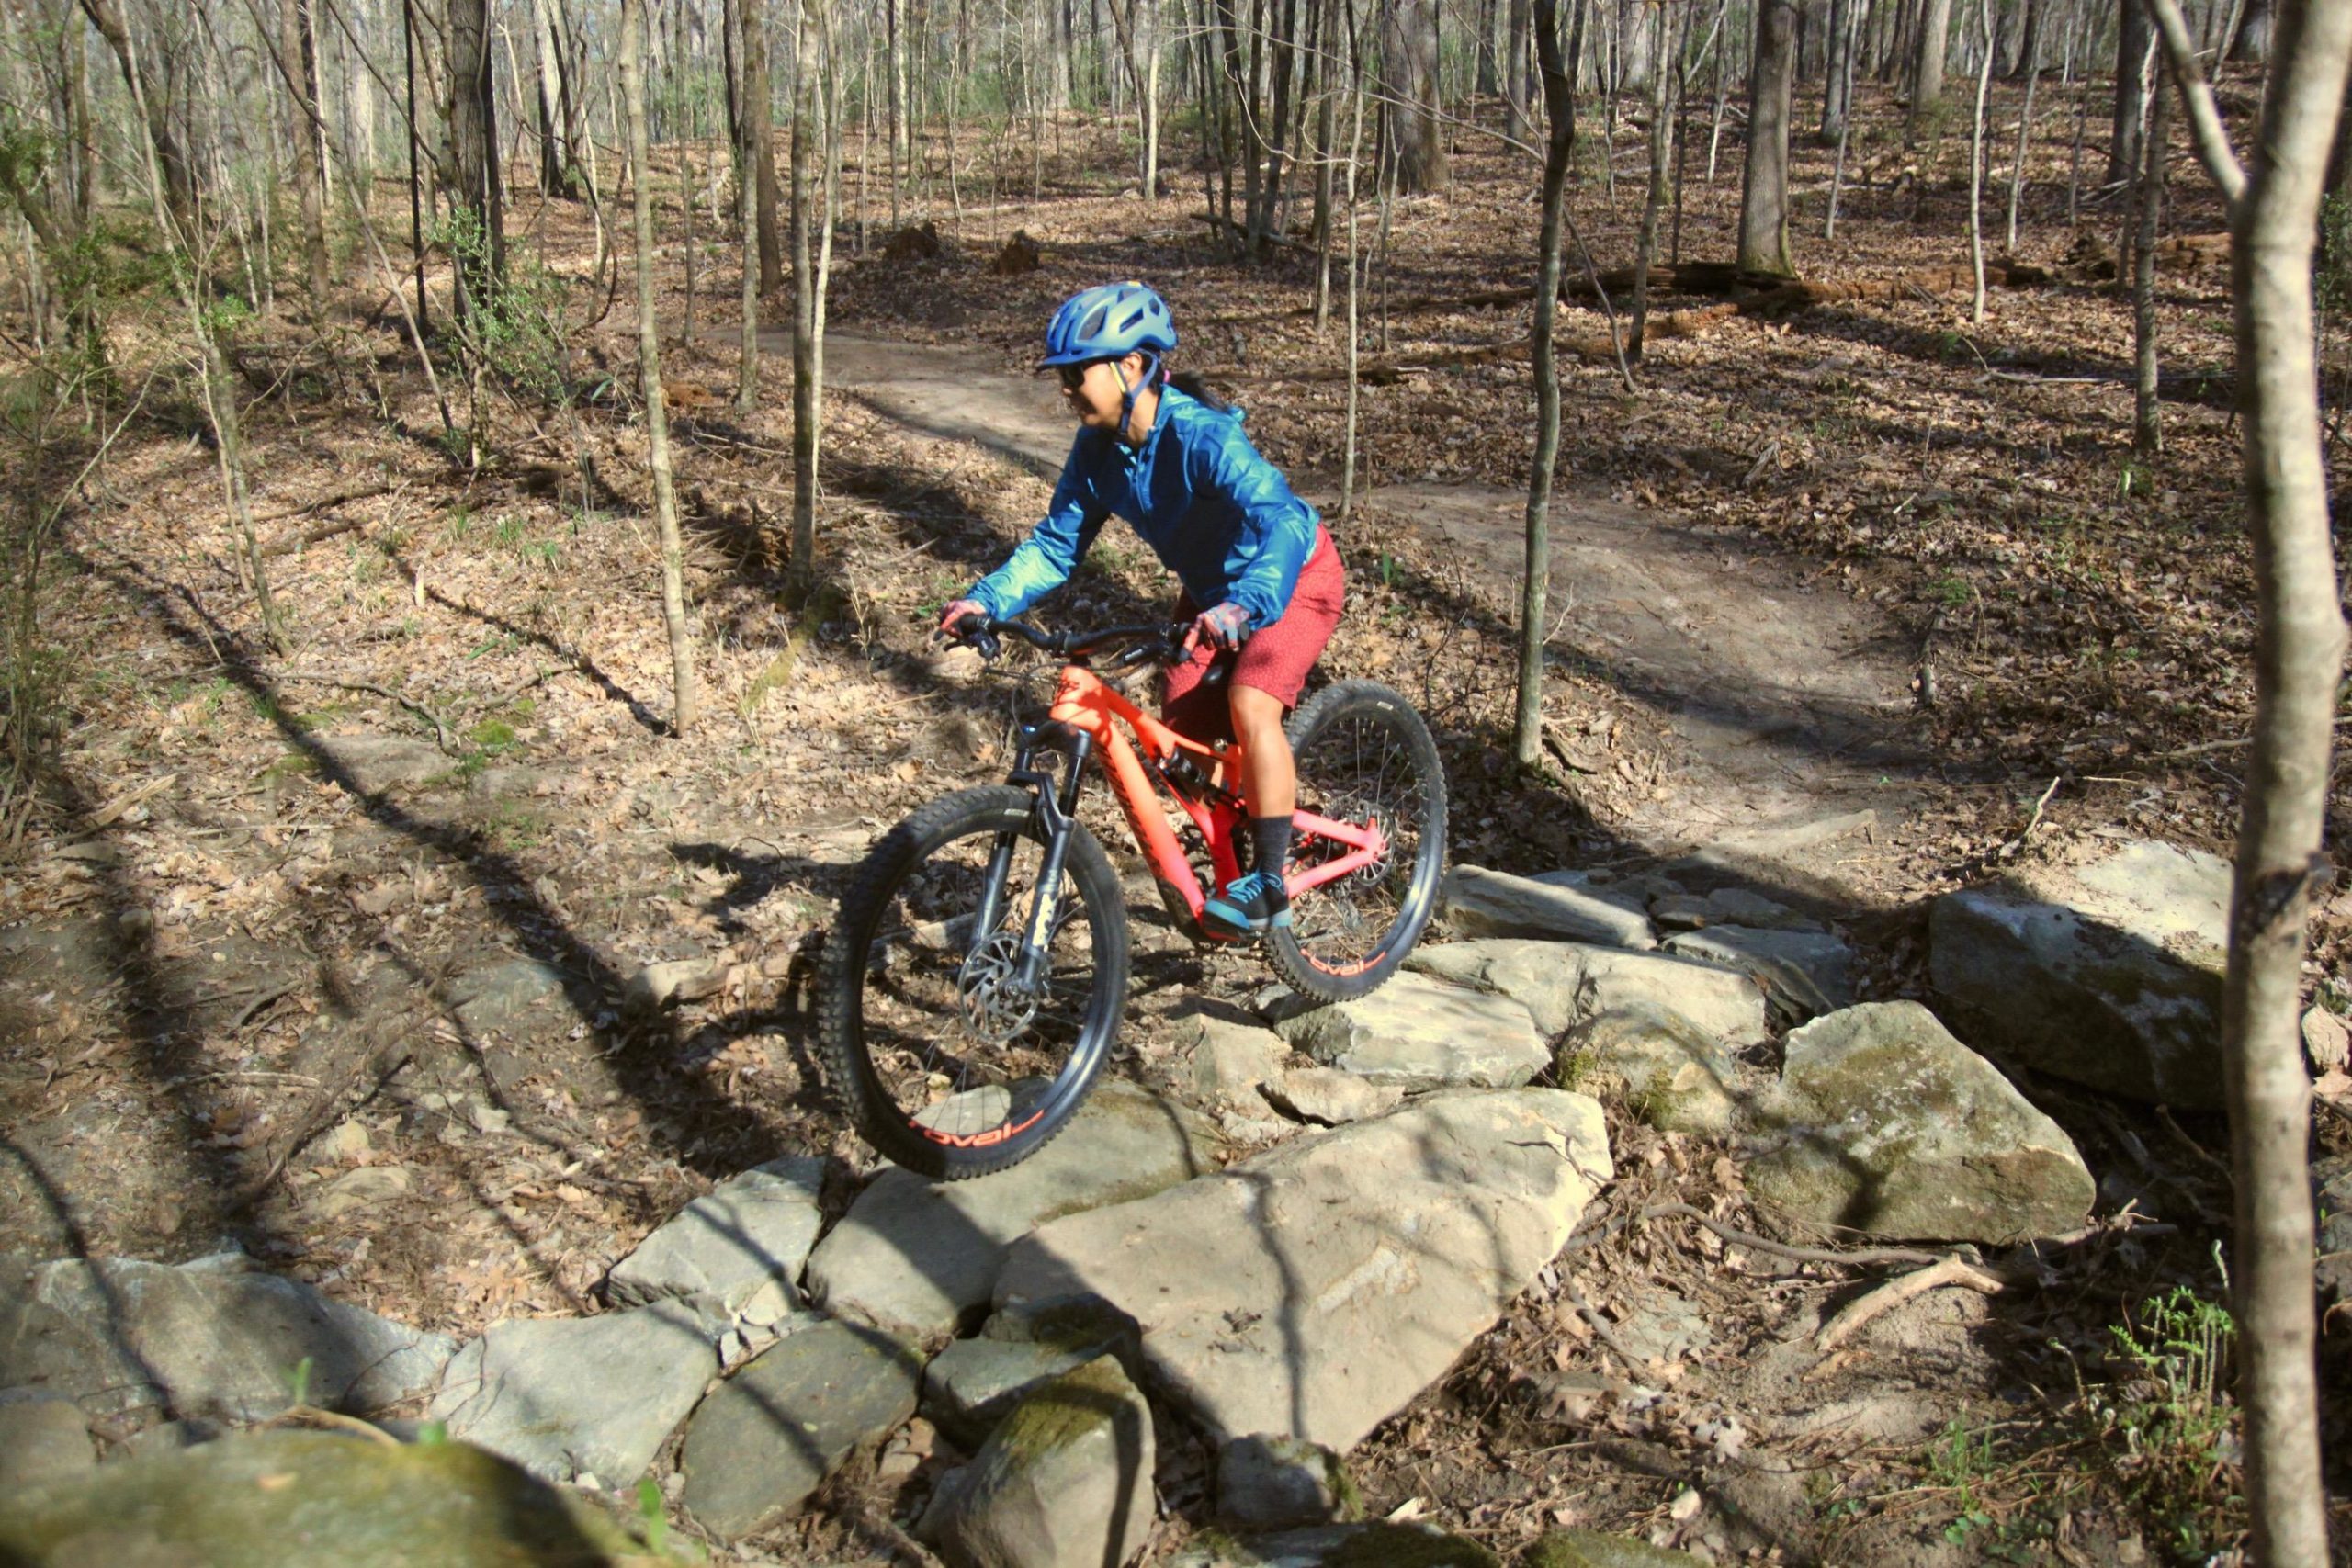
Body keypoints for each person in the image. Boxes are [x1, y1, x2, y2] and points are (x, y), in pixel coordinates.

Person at [937, 281, 1343, 939]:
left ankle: (1269, 882)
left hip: (1291, 579)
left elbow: (1282, 521)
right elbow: (1054, 546)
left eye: (1075, 373)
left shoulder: (1201, 436)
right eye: (1060, 376)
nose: (1065, 388)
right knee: (1179, 729)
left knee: (1251, 704)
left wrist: (1249, 602)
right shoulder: (1097, 454)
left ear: (1132, 367)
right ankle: (1235, 849)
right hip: (1215, 597)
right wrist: (985, 599)